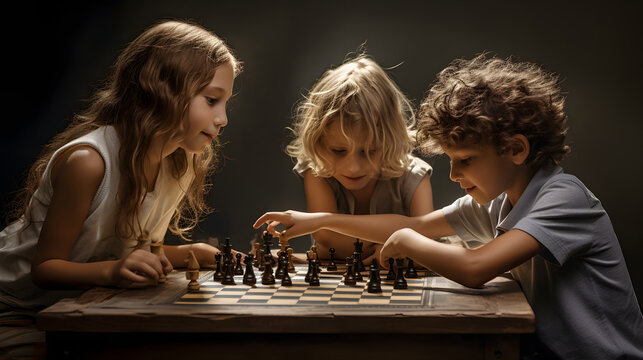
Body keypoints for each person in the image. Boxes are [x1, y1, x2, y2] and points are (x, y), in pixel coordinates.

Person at [255, 54, 643, 359]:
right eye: (451, 160)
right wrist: (318, 220)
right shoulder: (497, 203)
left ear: (516, 149)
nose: (454, 175)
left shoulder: (564, 199)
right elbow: (418, 223)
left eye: (466, 160)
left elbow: (474, 269)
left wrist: (406, 239)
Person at [0, 20, 241, 358]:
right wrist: (114, 271)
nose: (223, 118)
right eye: (212, 100)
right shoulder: (89, 162)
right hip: (17, 313)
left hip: (80, 310)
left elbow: (126, 253)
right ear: (163, 92)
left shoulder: (179, 160)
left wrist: (195, 252)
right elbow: (46, 269)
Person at [283, 54, 434, 262]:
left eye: (370, 151)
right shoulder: (317, 170)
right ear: (319, 141)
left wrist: (411, 247)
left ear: (390, 139)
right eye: (338, 150)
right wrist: (395, 246)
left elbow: (425, 243)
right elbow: (328, 238)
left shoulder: (415, 177)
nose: (353, 167)